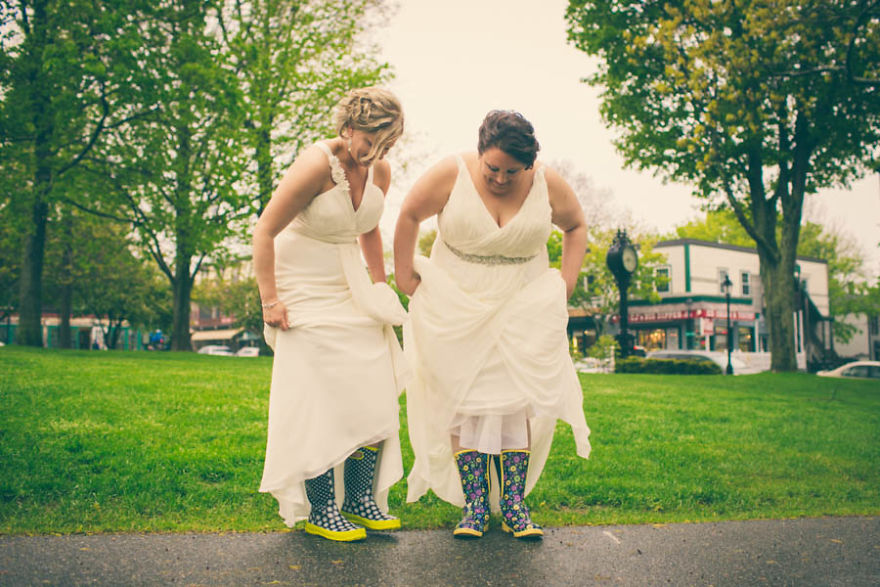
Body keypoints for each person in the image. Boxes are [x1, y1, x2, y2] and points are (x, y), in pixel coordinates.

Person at [394, 110, 591, 540]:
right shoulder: (450, 172)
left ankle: (515, 505)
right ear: (480, 152)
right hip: (456, 302)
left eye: (512, 172)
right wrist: (404, 274)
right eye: (493, 169)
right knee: (462, 397)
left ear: (530, 165)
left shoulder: (548, 182)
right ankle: (476, 505)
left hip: (523, 303)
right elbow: (408, 214)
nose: (501, 179)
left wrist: (566, 282)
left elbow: (575, 226)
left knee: (514, 398)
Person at [254, 87, 408, 542]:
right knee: (319, 396)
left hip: (349, 287)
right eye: (370, 144)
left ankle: (361, 499)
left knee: (375, 383)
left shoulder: (381, 168)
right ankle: (322, 509)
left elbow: (369, 229)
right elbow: (264, 231)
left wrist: (380, 287)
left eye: (387, 146)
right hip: (302, 286)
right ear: (349, 128)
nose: (376, 155)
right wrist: (270, 301)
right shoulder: (316, 165)